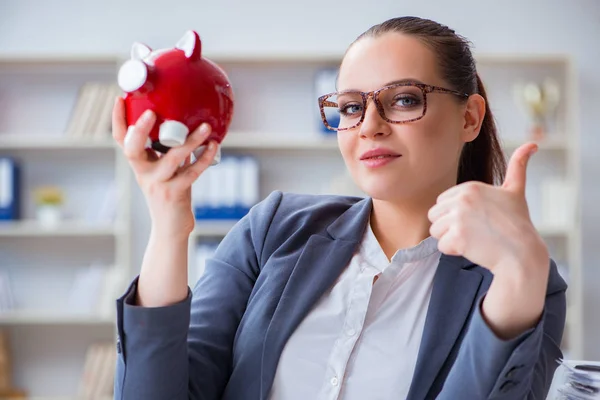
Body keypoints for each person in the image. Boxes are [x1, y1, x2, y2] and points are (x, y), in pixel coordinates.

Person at [112, 16, 567, 400]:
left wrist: (519, 272)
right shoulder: (271, 230)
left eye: (404, 100)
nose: (369, 126)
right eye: (350, 108)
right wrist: (169, 220)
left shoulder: (519, 277)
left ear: (469, 117)